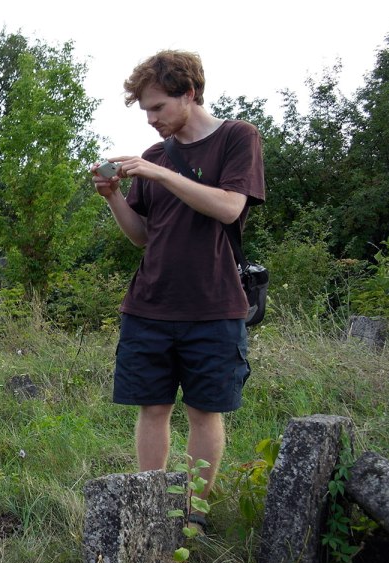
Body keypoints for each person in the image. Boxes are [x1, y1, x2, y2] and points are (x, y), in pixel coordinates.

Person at [93, 50, 264, 527]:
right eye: (145, 110)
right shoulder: (152, 157)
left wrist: (160, 172)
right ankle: (151, 511)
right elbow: (144, 236)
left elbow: (230, 207)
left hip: (214, 304)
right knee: (153, 407)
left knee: (205, 411)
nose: (150, 120)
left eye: (158, 107)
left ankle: (192, 514)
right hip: (149, 304)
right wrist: (112, 199)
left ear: (189, 94)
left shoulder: (236, 137)